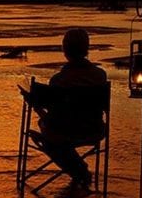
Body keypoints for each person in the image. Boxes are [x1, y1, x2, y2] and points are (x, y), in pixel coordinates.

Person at [33, 28, 108, 188]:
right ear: (86, 48)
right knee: (55, 135)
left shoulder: (58, 81)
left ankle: (79, 171)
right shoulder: (100, 76)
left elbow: (53, 117)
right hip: (93, 130)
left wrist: (35, 105)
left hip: (64, 130)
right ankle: (80, 172)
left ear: (65, 50)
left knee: (48, 135)